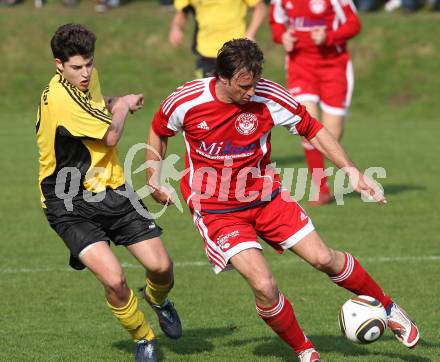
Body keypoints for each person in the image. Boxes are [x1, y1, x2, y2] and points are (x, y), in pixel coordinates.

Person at [145, 39, 420, 362]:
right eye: (244, 86)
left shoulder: (269, 96)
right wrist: (153, 175)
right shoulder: (187, 100)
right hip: (217, 210)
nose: (251, 92)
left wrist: (351, 171)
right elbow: (159, 130)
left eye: (255, 83)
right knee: (264, 285)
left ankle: (388, 307)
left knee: (323, 258)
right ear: (222, 77)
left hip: (266, 196)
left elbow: (312, 128)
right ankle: (305, 351)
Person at [36, 24, 181, 362]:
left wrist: (116, 102)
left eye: (89, 63)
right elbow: (111, 137)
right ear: (59, 65)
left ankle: (158, 300)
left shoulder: (88, 79)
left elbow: (99, 106)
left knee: (161, 268)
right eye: (76, 67)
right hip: (68, 201)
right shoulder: (59, 97)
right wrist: (126, 103)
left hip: (113, 188)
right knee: (115, 280)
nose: (85, 73)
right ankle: (143, 338)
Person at [269, 0, 361, 205]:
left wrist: (329, 37)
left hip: (334, 68)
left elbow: (354, 24)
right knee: (308, 127)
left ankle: (344, 177)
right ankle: (322, 189)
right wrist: (281, 36)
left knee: (331, 136)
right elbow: (275, 22)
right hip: (300, 66)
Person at [168, 0, 267, 77]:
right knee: (207, 99)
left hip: (236, 51)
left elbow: (260, 7)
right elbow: (182, 12)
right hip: (205, 51)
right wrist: (176, 27)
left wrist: (250, 33)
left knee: (239, 97)